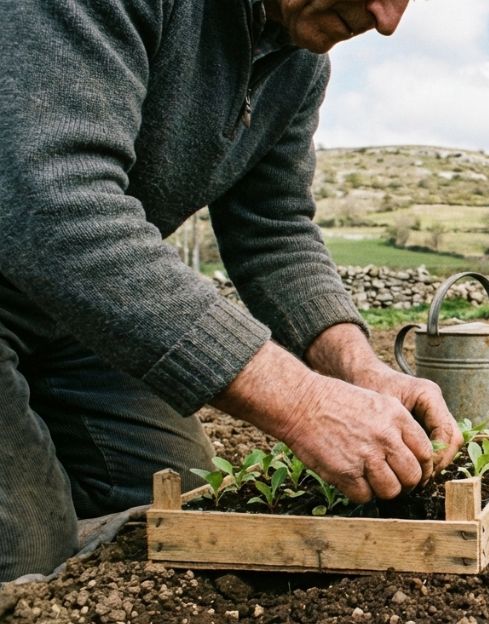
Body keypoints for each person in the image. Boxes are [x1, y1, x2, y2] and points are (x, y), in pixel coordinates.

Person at [0, 0, 462, 581]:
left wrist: (359, 369)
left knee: (186, 510)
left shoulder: (295, 60)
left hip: (76, 309)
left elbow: (274, 229)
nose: (387, 19)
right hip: (33, 262)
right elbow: (56, 207)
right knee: (24, 560)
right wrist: (302, 402)